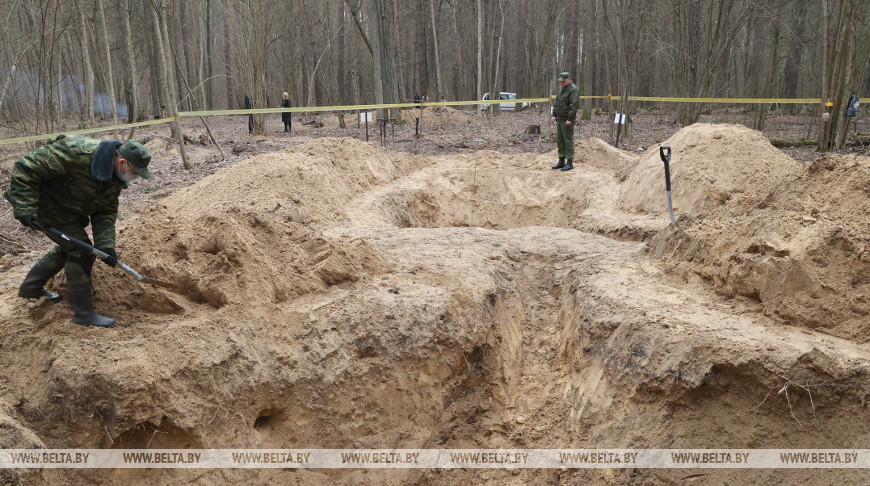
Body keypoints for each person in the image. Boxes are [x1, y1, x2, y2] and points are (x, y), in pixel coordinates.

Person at [4, 135, 153, 328]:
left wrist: (106, 247)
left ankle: (31, 287)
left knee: (73, 244)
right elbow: (27, 167)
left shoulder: (115, 178)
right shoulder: (76, 152)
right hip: (41, 201)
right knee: (81, 251)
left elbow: (105, 212)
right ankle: (84, 314)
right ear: (123, 162)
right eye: (135, 172)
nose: (135, 177)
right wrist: (25, 207)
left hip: (66, 208)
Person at [551, 72, 580, 171]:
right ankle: (561, 160)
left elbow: (574, 105)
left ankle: (570, 162)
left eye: (563, 81)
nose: (561, 83)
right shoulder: (560, 89)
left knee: (568, 140)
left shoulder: (573, 90)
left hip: (567, 120)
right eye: (560, 81)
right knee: (560, 141)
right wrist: (554, 115)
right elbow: (557, 102)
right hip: (560, 118)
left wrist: (570, 119)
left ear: (568, 79)